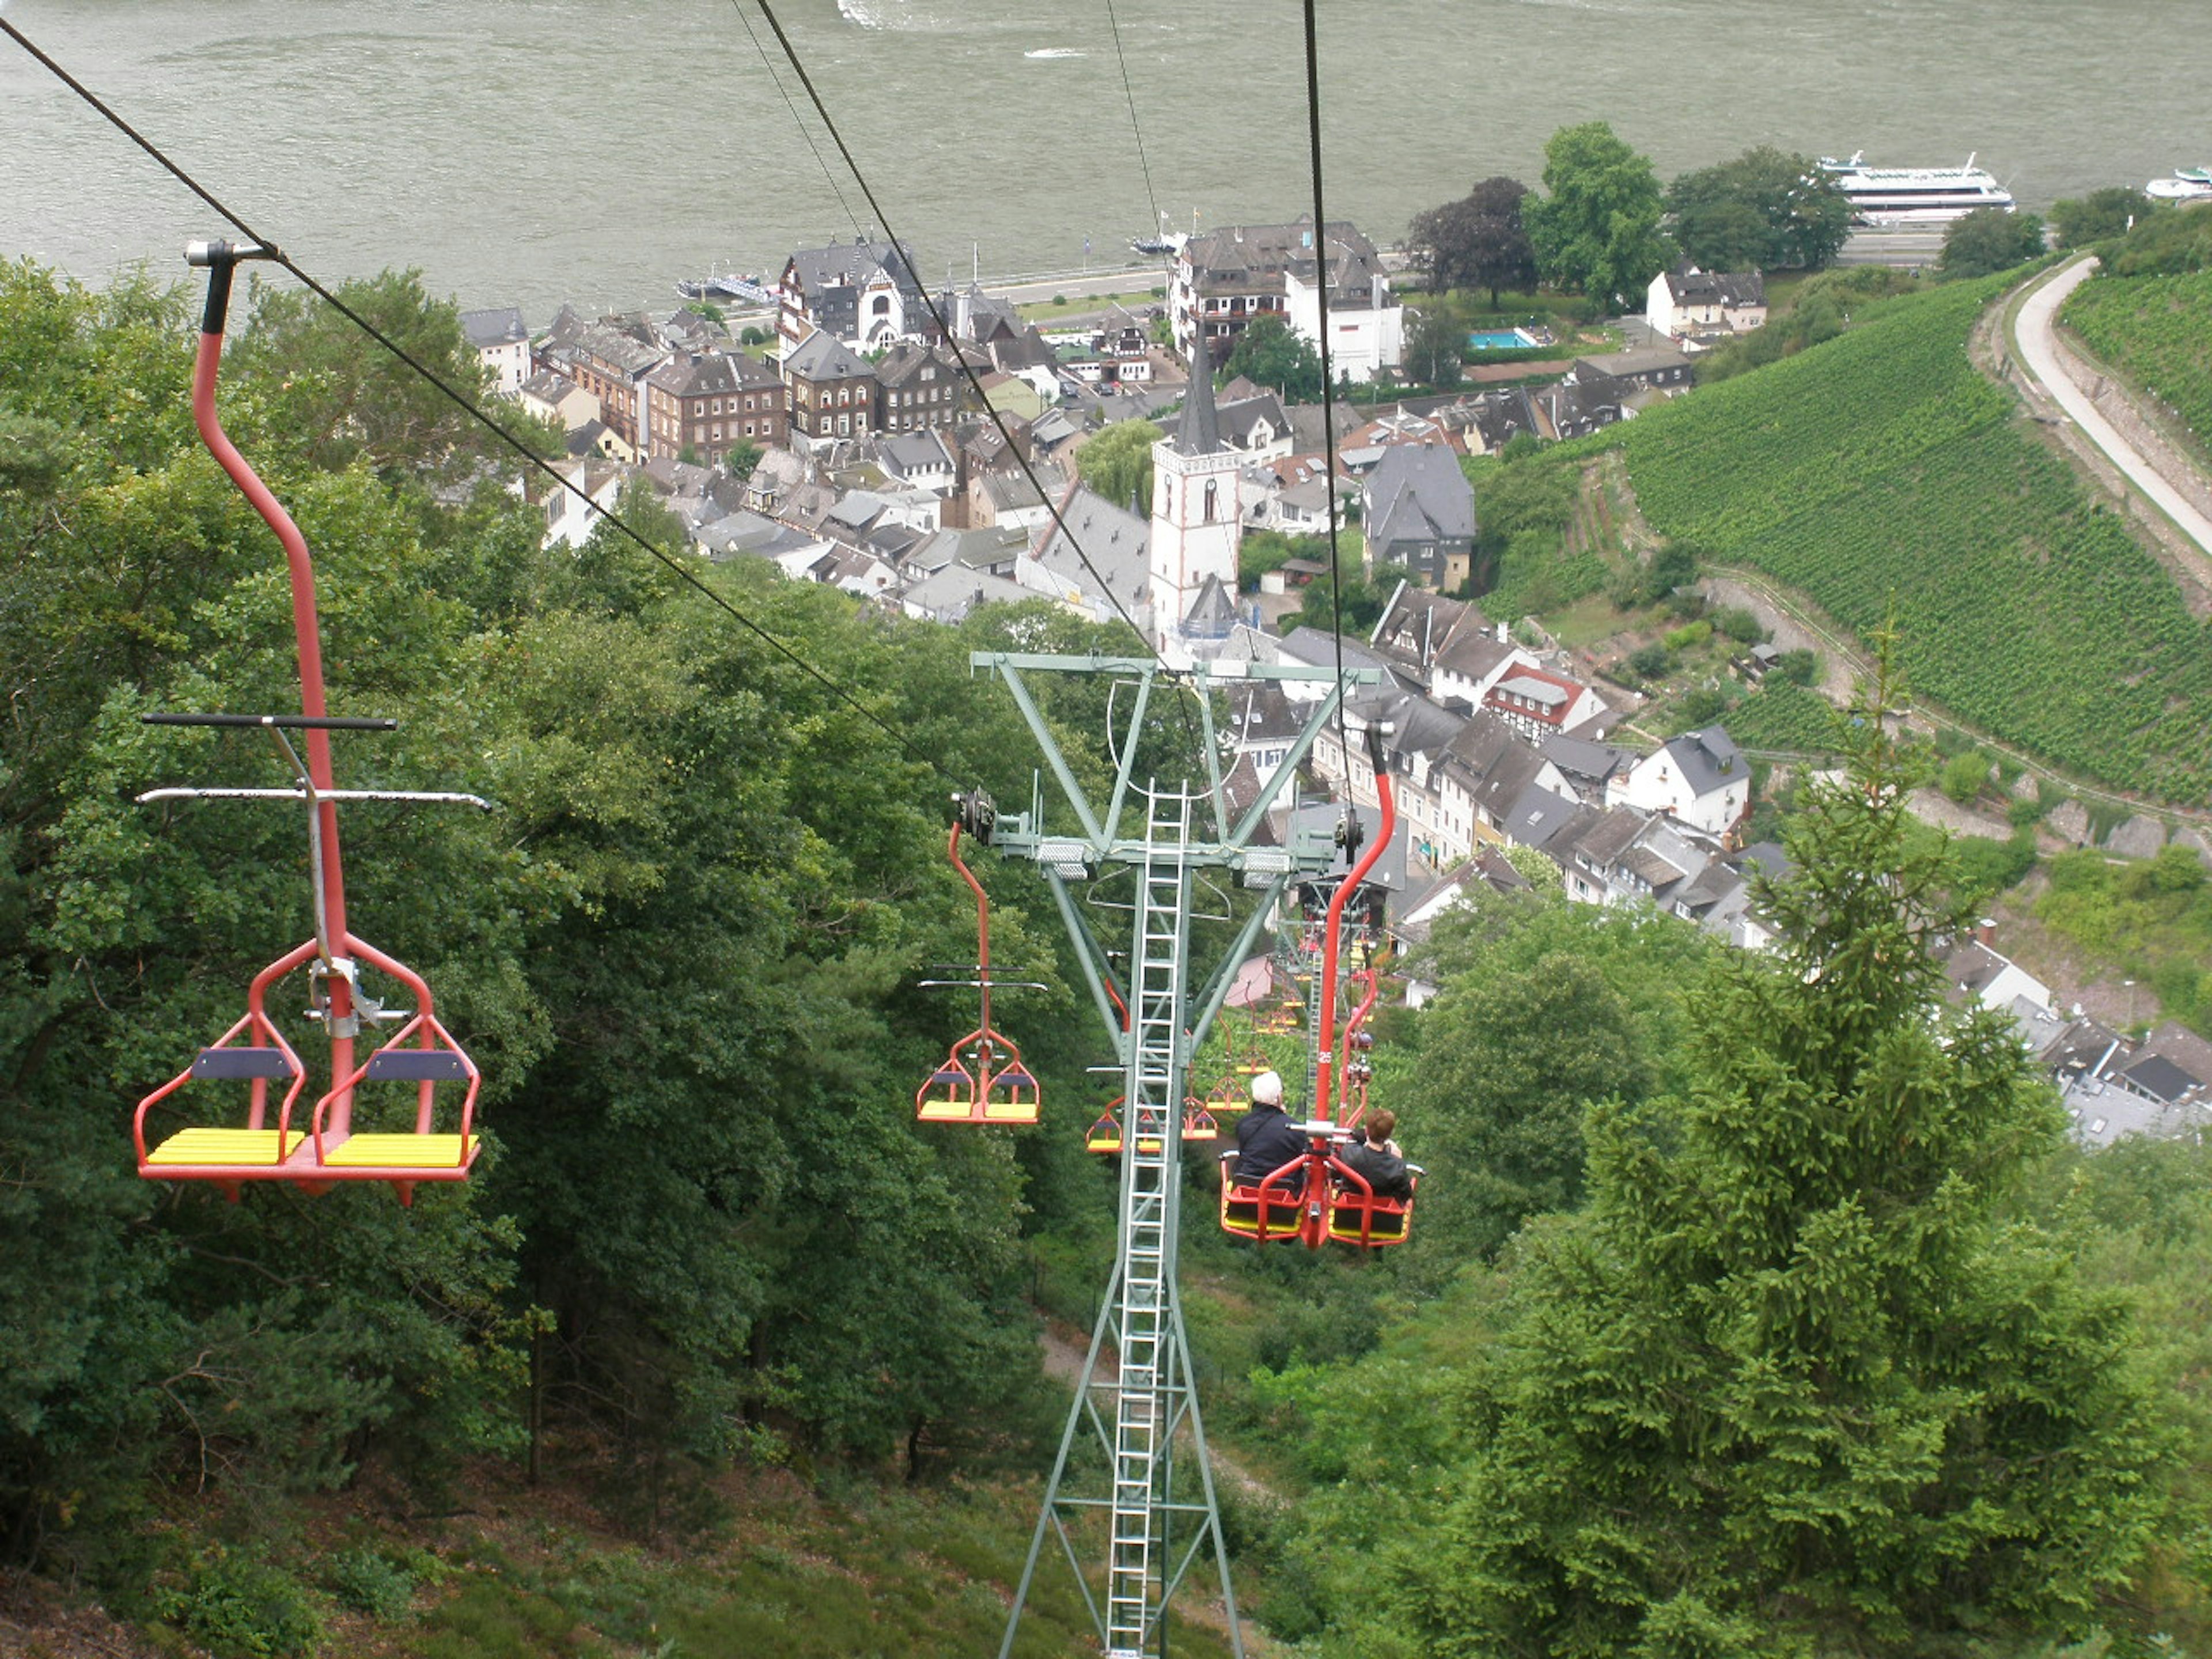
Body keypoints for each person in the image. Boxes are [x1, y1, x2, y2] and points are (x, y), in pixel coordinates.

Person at [1230, 1070, 1309, 1195]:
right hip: (1283, 1197)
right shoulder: (1295, 1130)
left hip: (1245, 1193)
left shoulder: (1244, 1125)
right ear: (1278, 1097)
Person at [1338, 1107, 1413, 1201]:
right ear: (1390, 1134)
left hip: (1348, 1214)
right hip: (1383, 1216)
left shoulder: (1350, 1154)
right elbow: (1406, 1194)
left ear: (1366, 1130)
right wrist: (1398, 1160)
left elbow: (1352, 1140)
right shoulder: (1396, 1167)